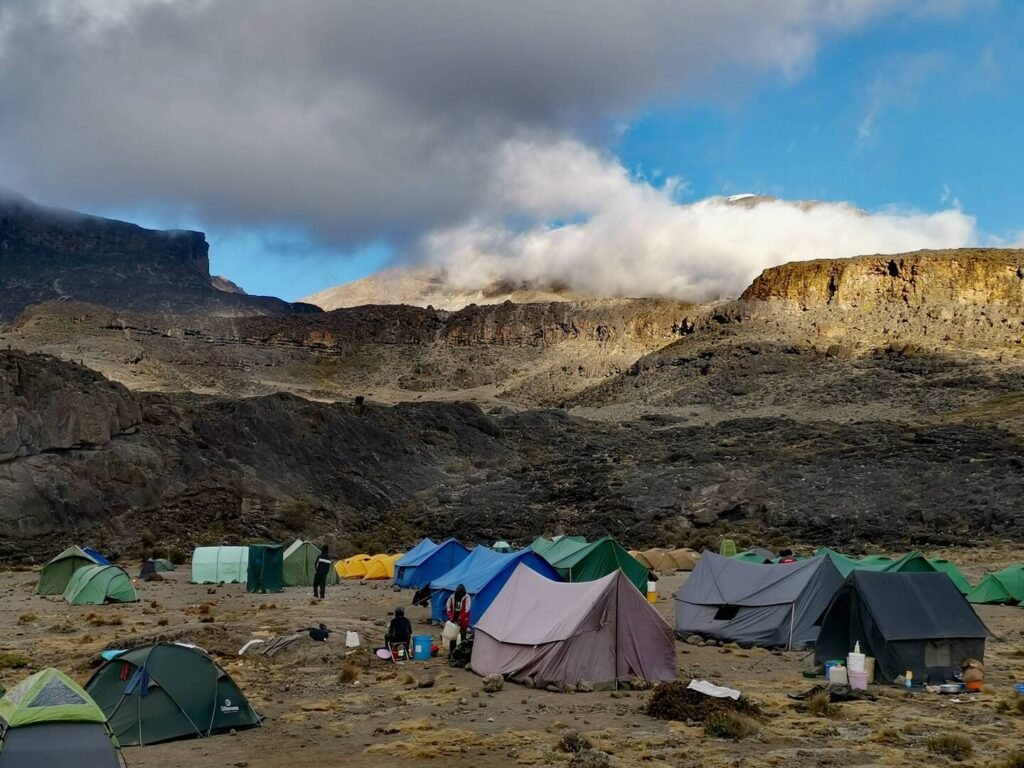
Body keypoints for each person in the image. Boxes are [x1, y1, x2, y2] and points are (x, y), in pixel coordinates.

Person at [445, 584, 471, 653]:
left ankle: (462, 652)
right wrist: (451, 617)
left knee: (463, 636)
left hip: (463, 619)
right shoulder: (452, 597)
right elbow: (448, 608)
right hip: (454, 619)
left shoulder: (467, 597)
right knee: (453, 636)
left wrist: (460, 618)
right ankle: (452, 652)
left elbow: (467, 609)